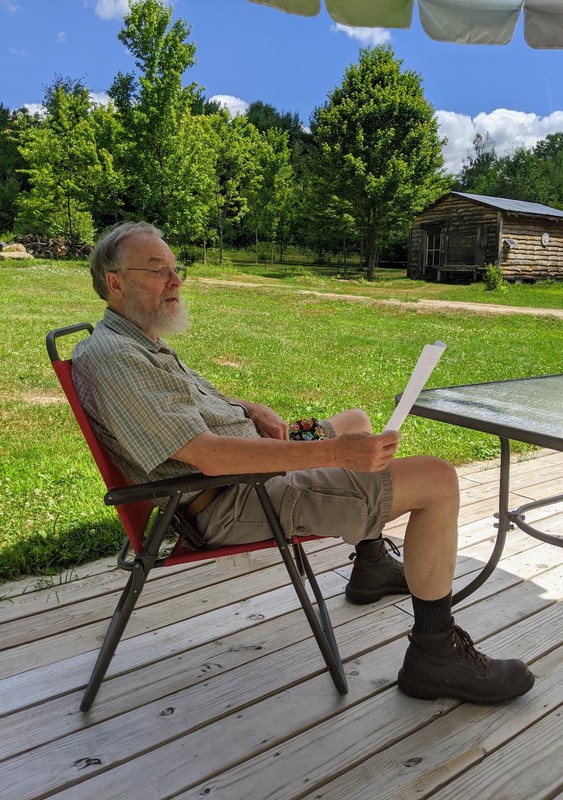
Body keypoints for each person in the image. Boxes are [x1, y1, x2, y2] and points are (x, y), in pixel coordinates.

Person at [72, 221, 534, 704]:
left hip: (250, 466)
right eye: (157, 270)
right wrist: (335, 454)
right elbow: (207, 456)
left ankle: (372, 565)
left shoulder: (137, 342)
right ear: (115, 281)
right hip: (233, 497)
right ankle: (435, 656)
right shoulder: (113, 357)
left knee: (355, 420)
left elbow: (188, 410)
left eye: (175, 268)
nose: (176, 281)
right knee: (437, 479)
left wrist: (247, 409)